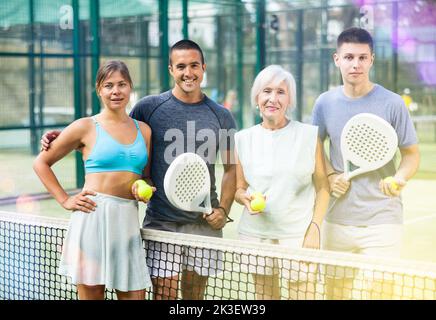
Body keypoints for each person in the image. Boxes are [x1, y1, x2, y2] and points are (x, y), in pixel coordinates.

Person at [41, 40, 237, 300]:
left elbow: (231, 168)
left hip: (203, 224)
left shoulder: (222, 116)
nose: (188, 72)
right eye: (180, 66)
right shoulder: (147, 108)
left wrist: (223, 209)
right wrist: (64, 138)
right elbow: (116, 131)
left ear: (203, 67)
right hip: (161, 221)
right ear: (170, 69)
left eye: (193, 66)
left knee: (194, 298)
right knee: (163, 296)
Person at [311, 27, 420, 300]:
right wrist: (332, 173)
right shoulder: (324, 104)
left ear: (371, 60)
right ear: (337, 59)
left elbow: (411, 154)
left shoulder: (393, 104)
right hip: (337, 219)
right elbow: (315, 149)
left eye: (362, 57)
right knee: (336, 294)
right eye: (349, 57)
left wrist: (401, 178)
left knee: (381, 294)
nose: (355, 64)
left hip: (382, 219)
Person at [34, 60, 153, 300]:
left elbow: (146, 177)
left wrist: (144, 189)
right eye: (108, 85)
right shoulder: (84, 126)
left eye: (122, 84)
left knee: (134, 295)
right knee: (93, 294)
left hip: (127, 223)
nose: (116, 91)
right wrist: (65, 199)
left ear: (130, 88)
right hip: (92, 218)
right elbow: (41, 163)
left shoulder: (145, 130)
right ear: (99, 89)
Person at [234, 65, 330, 300]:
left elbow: (324, 187)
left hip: (299, 235)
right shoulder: (241, 139)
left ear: (290, 100)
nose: (272, 99)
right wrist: (242, 198)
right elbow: (239, 188)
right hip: (256, 235)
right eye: (267, 91)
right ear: (257, 97)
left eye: (281, 92)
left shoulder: (309, 136)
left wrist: (315, 228)